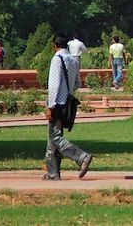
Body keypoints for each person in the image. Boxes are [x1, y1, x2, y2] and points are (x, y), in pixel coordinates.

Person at [43, 35, 93, 180]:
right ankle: (53, 173)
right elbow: (77, 83)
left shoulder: (57, 59)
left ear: (54, 46)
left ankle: (82, 157)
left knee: (55, 137)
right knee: (52, 138)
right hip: (68, 103)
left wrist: (50, 106)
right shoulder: (73, 60)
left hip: (57, 103)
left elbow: (54, 85)